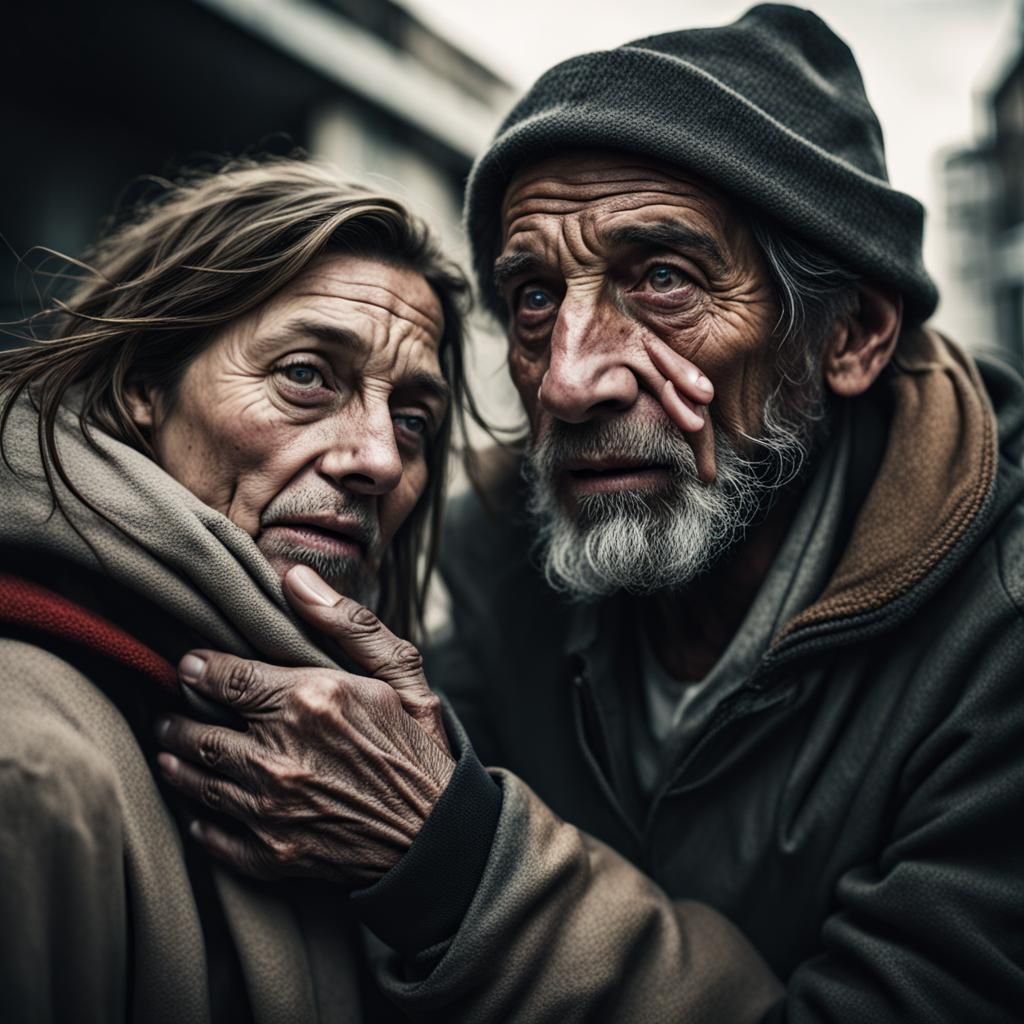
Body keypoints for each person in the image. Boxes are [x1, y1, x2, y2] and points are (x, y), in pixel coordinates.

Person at [155, 4, 1024, 1021]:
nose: (567, 382)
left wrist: (460, 864)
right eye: (531, 299)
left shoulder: (998, 627)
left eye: (662, 279)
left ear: (852, 337)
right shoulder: (497, 548)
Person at [0, 157, 474, 1023]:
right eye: (306, 375)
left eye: (413, 419)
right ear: (146, 382)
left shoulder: (358, 767)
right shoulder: (29, 770)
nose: (377, 457)